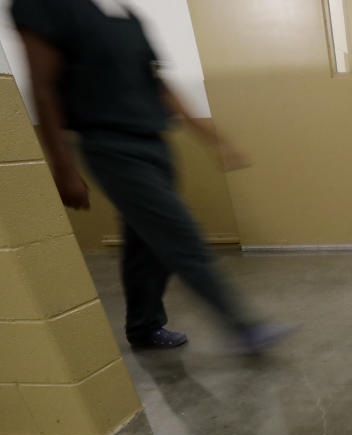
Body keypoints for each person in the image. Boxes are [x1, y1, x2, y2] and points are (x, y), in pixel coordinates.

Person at [12, 0, 294, 352]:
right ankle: (243, 326)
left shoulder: (126, 14)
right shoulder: (45, 8)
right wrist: (63, 167)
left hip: (154, 144)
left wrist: (212, 138)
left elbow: (157, 83)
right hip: (111, 146)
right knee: (179, 234)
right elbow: (43, 86)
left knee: (145, 246)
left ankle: (144, 329)